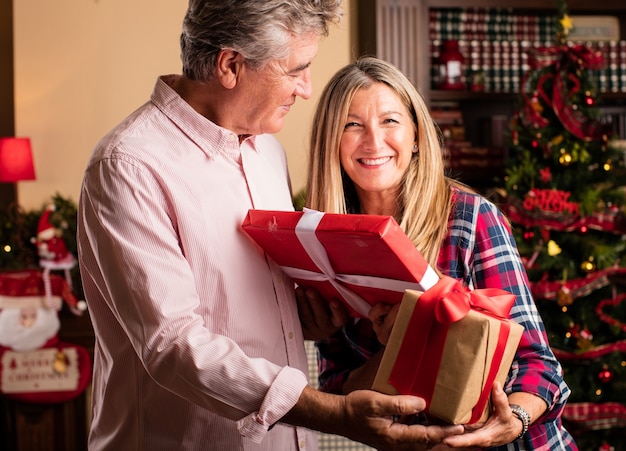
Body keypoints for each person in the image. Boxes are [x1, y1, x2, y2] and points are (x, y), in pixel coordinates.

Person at [76, 3, 466, 450]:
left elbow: (237, 302)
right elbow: (171, 345)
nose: (307, 88)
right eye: (296, 70)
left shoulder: (268, 152)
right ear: (230, 65)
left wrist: (296, 317)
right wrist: (334, 413)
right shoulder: (129, 165)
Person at [303, 56, 578, 450]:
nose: (373, 141)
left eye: (390, 121)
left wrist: (510, 422)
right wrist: (400, 347)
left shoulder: (471, 219)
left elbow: (539, 365)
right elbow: (337, 388)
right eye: (352, 124)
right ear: (330, 139)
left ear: (416, 135)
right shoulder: (324, 241)